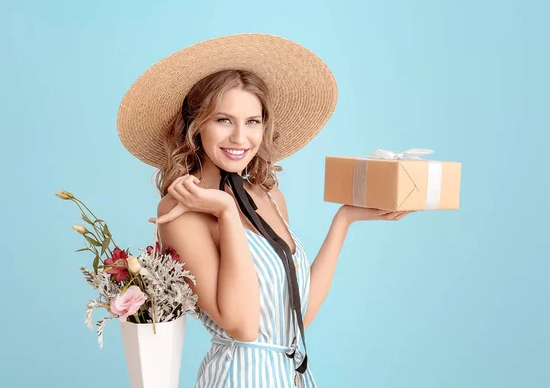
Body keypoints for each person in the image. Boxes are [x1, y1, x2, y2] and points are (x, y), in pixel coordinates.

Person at [117, 33, 412, 388]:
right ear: (196, 127)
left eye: (252, 121)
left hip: (292, 376)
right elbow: (241, 325)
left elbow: (296, 317)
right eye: (224, 120)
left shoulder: (269, 197)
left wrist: (343, 220)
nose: (240, 138)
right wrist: (226, 212)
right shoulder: (180, 211)